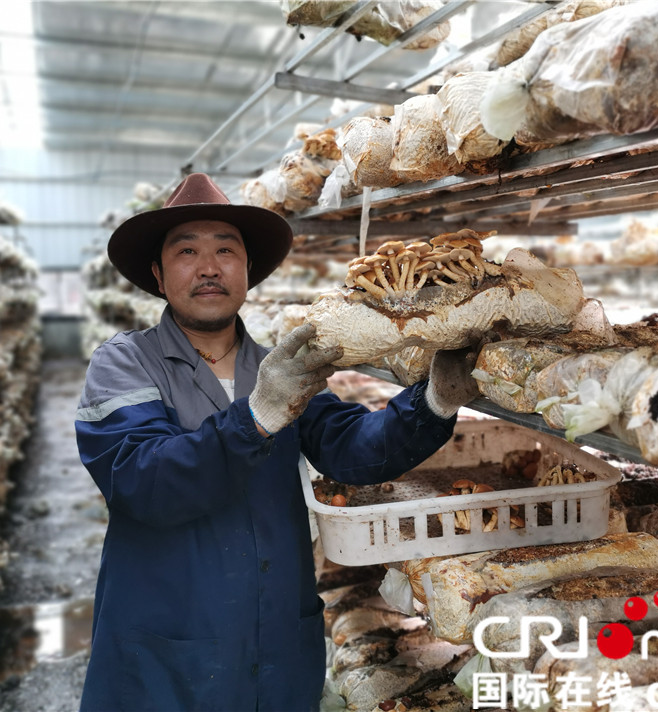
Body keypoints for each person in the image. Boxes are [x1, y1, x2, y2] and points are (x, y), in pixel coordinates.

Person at [75, 172, 479, 711]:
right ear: (157, 271)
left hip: (275, 643)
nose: (209, 266)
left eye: (226, 250)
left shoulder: (279, 367)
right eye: (186, 251)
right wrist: (259, 415)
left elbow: (351, 448)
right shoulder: (125, 363)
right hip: (169, 646)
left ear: (247, 271)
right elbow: (145, 482)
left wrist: (433, 400)